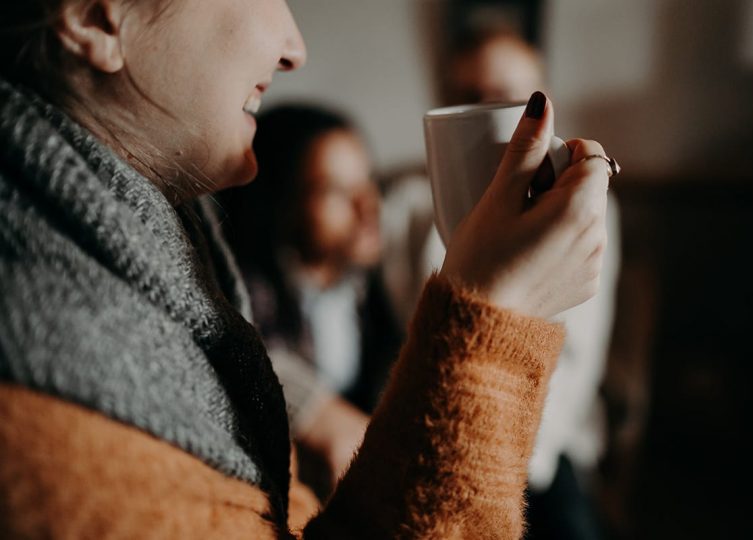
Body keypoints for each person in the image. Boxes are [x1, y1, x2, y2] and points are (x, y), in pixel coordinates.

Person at [0, 1, 611, 538]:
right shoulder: (50, 398)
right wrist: (497, 324)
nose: (295, 47)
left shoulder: (168, 253)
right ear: (93, 15)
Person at [384, 26, 620, 539]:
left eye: (514, 99)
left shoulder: (584, 206)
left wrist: (513, 455)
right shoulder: (404, 208)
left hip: (543, 443)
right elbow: (405, 331)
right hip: (434, 421)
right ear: (444, 104)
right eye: (473, 98)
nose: (492, 111)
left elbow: (578, 359)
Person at [221, 105, 402, 489]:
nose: (367, 207)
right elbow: (238, 356)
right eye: (335, 190)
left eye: (368, 181)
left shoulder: (379, 286)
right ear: (283, 202)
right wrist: (315, 410)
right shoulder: (244, 292)